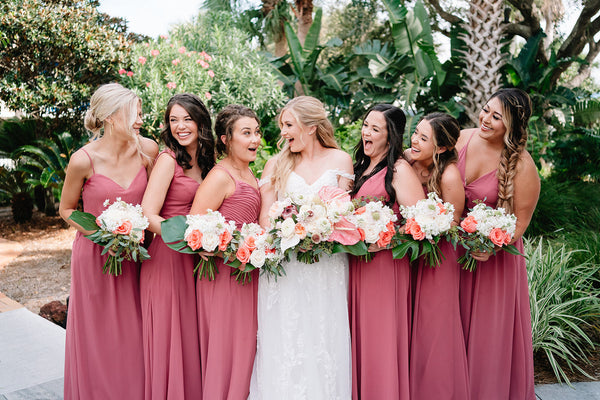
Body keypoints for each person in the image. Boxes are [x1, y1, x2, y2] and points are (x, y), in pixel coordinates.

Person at [248, 96, 354, 399]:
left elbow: (343, 215)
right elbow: (265, 218)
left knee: (323, 336)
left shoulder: (340, 160)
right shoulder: (276, 163)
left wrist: (319, 228)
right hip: (286, 268)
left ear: (310, 126)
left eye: (288, 125)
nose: (282, 132)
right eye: (282, 125)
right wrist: (288, 229)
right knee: (285, 338)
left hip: (326, 266)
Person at [59, 82, 158, 399]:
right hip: (94, 260)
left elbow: (156, 202)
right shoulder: (82, 160)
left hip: (135, 259)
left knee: (133, 336)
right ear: (113, 117)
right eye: (135, 114)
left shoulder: (148, 151)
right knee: (98, 339)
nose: (141, 120)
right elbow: (67, 209)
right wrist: (103, 236)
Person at [456, 88, 539, 400]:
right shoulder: (462, 138)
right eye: (485, 110)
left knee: (487, 341)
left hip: (494, 261)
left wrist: (492, 245)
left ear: (512, 126)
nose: (485, 120)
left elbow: (520, 220)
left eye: (496, 117)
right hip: (455, 253)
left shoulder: (522, 165)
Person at [139, 93, 215, 399]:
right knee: (171, 337)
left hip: (197, 259)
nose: (180, 126)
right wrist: (184, 236)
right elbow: (147, 214)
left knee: (191, 336)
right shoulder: (168, 160)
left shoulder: (210, 161)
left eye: (187, 119)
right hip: (167, 258)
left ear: (200, 121)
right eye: (173, 120)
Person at [348, 104, 424, 400]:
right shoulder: (359, 167)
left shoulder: (399, 170)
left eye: (375, 129)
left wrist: (386, 240)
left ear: (390, 138)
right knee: (359, 339)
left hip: (384, 268)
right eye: (366, 125)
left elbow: (420, 223)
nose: (366, 132)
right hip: (356, 264)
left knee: (379, 340)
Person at [189, 104, 262, 399]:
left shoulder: (252, 173)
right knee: (226, 352)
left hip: (248, 274)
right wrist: (228, 247)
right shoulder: (220, 176)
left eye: (256, 132)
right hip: (223, 278)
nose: (254, 139)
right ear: (225, 139)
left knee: (246, 351)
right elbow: (195, 229)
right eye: (246, 133)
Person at [405, 113, 470, 399]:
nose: (414, 141)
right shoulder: (408, 160)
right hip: (407, 252)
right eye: (415, 133)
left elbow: (453, 224)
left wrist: (428, 226)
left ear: (441, 148)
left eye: (423, 138)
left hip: (439, 258)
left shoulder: (449, 175)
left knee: (434, 328)